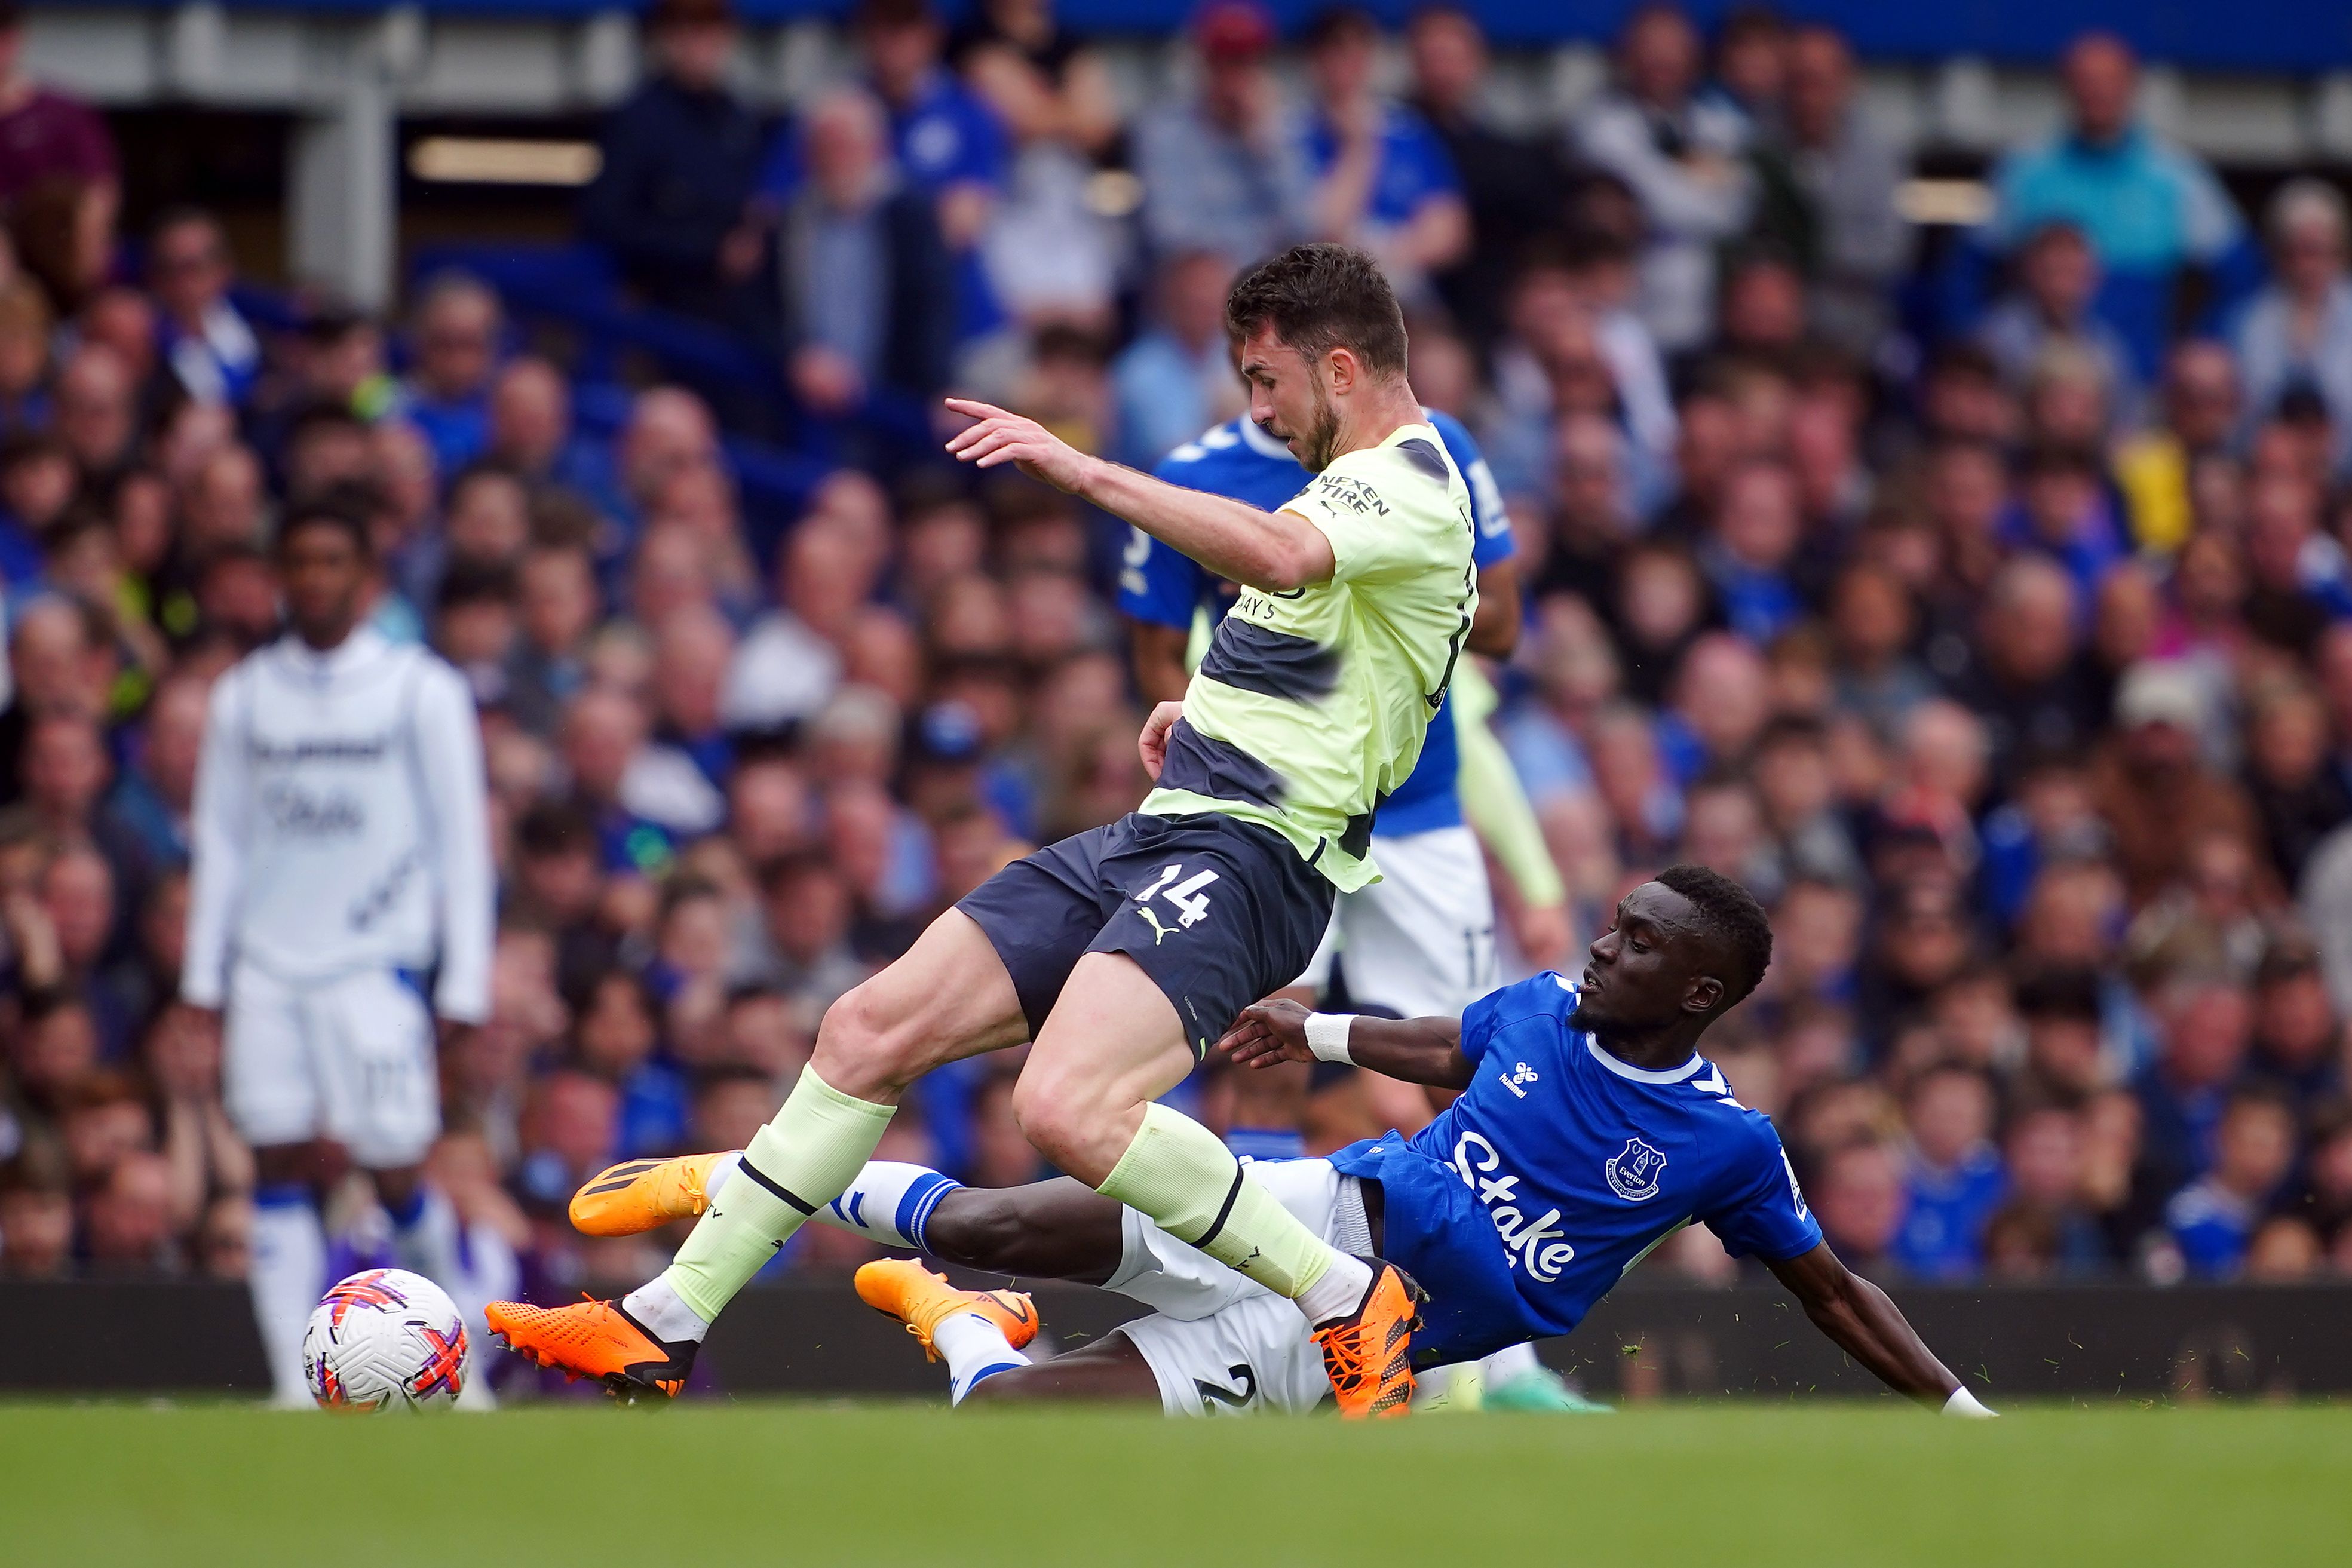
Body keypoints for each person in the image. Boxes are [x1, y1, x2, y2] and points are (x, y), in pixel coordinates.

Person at [487, 243, 1473, 1418]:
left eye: (1267, 383)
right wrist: (1201, 712)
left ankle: (1340, 1293)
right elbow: (1334, 649)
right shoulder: (1347, 494)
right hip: (1175, 827)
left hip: (1254, 861)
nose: (1257, 411)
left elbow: (1277, 555)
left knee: (1066, 1107)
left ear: (1344, 367)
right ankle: (662, 1321)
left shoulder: (1408, 478)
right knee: (865, 1028)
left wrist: (1078, 467)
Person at [566, 869, 1996, 1418]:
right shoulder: (1550, 1008)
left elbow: (1826, 1288)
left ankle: (964, 1338)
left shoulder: (1725, 1145)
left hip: (1347, 1347)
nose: (1598, 947)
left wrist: (1952, 1411)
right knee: (1000, 1216)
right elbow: (1449, 1043)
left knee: (1009, 1428)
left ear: (1697, 993)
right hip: (1321, 1211)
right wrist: (1309, 1035)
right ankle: (737, 1181)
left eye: (1632, 944)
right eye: (1611, 922)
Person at [180, 501, 495, 1406]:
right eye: (301, 560)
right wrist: (204, 980)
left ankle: (457, 1361)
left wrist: (463, 983)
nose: (315, 577)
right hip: (266, 966)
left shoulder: (417, 689)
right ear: (280, 574)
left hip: (375, 966)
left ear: (364, 578)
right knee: (275, 1159)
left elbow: (460, 842)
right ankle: (294, 1380)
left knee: (397, 1167)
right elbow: (223, 842)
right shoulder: (242, 696)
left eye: (332, 560)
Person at [1985, 31, 2250, 381]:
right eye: (2085, 81)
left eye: (2109, 81)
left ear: (2132, 86)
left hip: (2141, 386)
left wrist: (2198, 346)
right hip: (2036, 390)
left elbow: (2242, 276)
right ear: (2065, 87)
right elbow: (1968, 275)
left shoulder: (2176, 175)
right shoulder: (2023, 170)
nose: (2097, 92)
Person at [1572, 3, 1753, 354]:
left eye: (1673, 52)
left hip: (1706, 314)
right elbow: (1640, 198)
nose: (1662, 64)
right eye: (1650, 52)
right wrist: (1694, 188)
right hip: (1627, 311)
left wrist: (1657, 185)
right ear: (1628, 55)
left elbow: (1734, 213)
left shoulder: (1721, 125)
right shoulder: (1601, 125)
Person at [578, 0, 769, 322]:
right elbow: (603, 219)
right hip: (663, 310)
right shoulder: (638, 119)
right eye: (683, 27)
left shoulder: (739, 118)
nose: (697, 41)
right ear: (663, 36)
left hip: (737, 315)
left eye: (709, 27)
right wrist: (708, 249)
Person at [1130, 0, 1316, 274]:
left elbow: (1306, 227)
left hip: (1268, 290)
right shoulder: (1164, 130)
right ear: (1202, 64)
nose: (1234, 77)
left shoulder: (1281, 131)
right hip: (1194, 289)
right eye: (1223, 62)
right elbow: (1169, 233)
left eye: (1246, 62)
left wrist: (1263, 143)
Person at [2232, 180, 2352, 477]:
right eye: (2293, 252)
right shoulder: (2247, 324)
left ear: (2341, 253)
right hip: (2270, 477)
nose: (2305, 265)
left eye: (2316, 251)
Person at [145, 207, 260, 410]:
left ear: (224, 270)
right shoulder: (144, 350)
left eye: (193, 268)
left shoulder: (265, 344)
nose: (181, 283)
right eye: (168, 269)